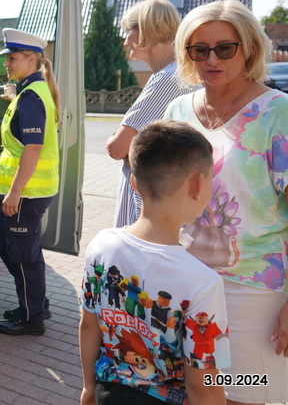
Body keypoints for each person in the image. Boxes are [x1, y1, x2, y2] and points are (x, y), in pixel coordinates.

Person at [164, 0, 288, 405]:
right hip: (184, 282)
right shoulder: (177, 110)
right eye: (199, 50)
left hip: (253, 292)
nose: (211, 59)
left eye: (224, 48)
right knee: (195, 392)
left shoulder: (278, 113)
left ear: (249, 48)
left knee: (243, 393)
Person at [79, 120, 229, 405]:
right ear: (197, 185)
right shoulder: (203, 283)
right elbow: (203, 384)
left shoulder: (101, 244)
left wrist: (88, 387)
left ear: (134, 183)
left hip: (107, 393)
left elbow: (89, 326)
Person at [106, 0, 198, 228]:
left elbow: (117, 148)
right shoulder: (178, 72)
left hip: (148, 204)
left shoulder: (168, 78)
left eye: (128, 32)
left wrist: (120, 140)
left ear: (146, 30)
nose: (125, 42)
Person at [0, 28, 60, 336]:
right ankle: (36, 303)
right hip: (29, 191)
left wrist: (15, 192)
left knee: (21, 256)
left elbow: (32, 149)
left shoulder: (32, 96)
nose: (7, 63)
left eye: (13, 58)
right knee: (15, 249)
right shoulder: (31, 91)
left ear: (32, 59)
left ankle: (32, 317)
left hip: (27, 192)